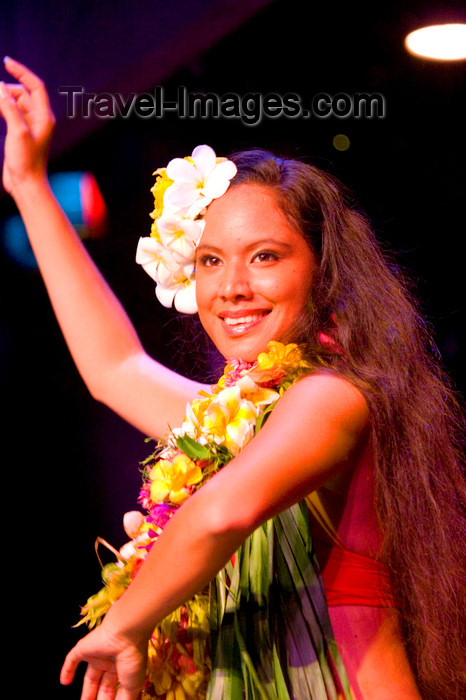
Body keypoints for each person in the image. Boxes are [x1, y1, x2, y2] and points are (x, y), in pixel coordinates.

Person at [0, 57, 464, 700]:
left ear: (323, 271)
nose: (232, 288)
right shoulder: (238, 426)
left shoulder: (333, 398)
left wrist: (125, 627)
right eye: (211, 261)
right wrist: (28, 184)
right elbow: (114, 369)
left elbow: (221, 512)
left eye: (265, 257)